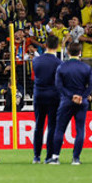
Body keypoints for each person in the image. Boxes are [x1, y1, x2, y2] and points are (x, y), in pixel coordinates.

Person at [48, 42, 92, 165]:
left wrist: (71, 96)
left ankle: (55, 157)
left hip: (66, 102)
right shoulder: (86, 68)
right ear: (80, 52)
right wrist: (82, 96)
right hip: (81, 102)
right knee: (80, 129)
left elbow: (58, 85)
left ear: (67, 52)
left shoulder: (62, 67)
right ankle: (76, 158)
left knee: (60, 129)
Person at [31, 34, 61, 163]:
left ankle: (36, 156)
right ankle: (49, 156)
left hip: (39, 95)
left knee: (39, 125)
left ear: (46, 45)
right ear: (57, 46)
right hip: (53, 96)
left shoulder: (36, 60)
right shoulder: (58, 63)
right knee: (52, 126)